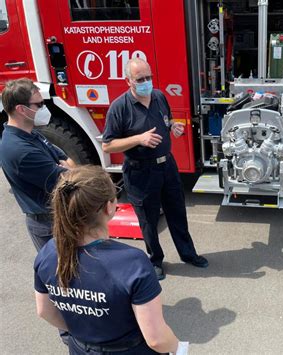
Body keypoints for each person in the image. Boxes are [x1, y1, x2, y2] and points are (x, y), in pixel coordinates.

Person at [34, 165, 186, 354]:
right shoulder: (132, 262)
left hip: (80, 348)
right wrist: (179, 348)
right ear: (109, 207)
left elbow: (45, 311)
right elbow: (156, 339)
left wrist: (85, 333)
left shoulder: (48, 252)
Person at [102, 58, 208, 280]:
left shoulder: (159, 97)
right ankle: (155, 260)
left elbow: (165, 121)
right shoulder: (119, 108)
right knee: (148, 220)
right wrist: (139, 139)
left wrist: (173, 127)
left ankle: (188, 254)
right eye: (140, 79)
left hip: (167, 167)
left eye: (149, 77)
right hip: (140, 172)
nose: (146, 83)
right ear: (128, 81)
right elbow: (108, 144)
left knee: (177, 212)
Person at [1, 78, 76, 252]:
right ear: (21, 109)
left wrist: (66, 168)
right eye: (39, 104)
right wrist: (66, 169)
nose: (44, 108)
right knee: (63, 275)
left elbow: (66, 157)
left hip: (56, 219)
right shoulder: (20, 150)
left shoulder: (30, 134)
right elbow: (68, 181)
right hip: (49, 225)